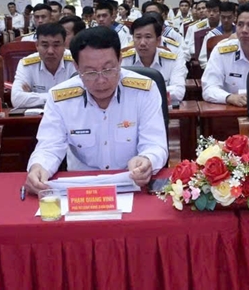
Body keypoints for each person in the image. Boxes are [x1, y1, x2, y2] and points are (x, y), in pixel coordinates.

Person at [23, 27, 169, 190]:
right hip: (81, 189)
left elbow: (155, 143)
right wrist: (39, 167)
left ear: (120, 60)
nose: (101, 80)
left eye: (108, 69)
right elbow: (49, 147)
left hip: (132, 183)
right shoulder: (60, 98)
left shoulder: (144, 91)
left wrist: (147, 159)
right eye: (90, 72)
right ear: (76, 67)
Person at [121, 14, 188, 102]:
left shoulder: (172, 60)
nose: (142, 43)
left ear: (158, 40)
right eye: (138, 37)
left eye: (148, 37)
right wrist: (157, 92)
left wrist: (141, 91)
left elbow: (178, 92)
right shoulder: (123, 60)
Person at [11, 23, 77, 109]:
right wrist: (64, 96)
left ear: (64, 45)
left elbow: (82, 96)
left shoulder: (76, 61)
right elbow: (17, 99)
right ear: (37, 45)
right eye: (45, 45)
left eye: (56, 45)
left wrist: (33, 97)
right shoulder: (27, 64)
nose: (50, 51)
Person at [198, 1, 237, 67]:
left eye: (229, 17)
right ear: (219, 15)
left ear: (234, 16)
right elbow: (203, 59)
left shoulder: (240, 33)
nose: (226, 20)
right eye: (223, 17)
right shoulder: (211, 35)